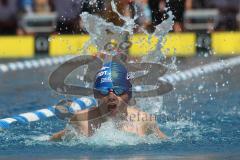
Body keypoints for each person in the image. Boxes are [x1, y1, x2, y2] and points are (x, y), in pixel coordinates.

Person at [50, 61, 166, 141]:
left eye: (119, 91)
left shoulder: (144, 121)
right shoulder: (82, 121)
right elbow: (55, 140)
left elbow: (166, 143)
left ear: (129, 94)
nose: (112, 97)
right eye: (104, 91)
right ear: (96, 95)